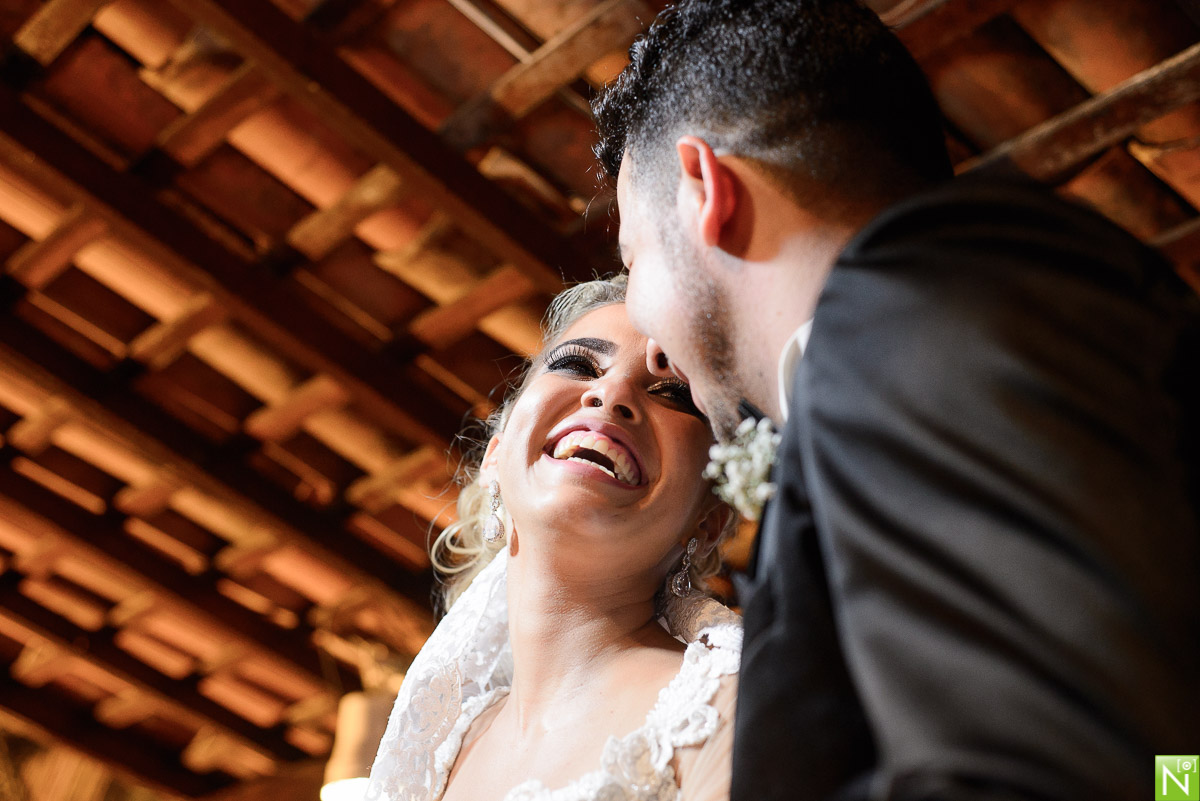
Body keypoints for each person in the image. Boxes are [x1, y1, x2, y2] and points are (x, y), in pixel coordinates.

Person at [592, 1, 1200, 800]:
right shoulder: (927, 332)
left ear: (707, 188)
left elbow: (1080, 764)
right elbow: (1163, 755)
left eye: (633, 257)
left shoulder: (911, 311)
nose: (655, 345)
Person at [365, 276, 743, 801]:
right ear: (494, 457)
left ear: (710, 519)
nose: (610, 394)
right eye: (577, 365)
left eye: (674, 393)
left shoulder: (730, 708)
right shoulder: (440, 749)